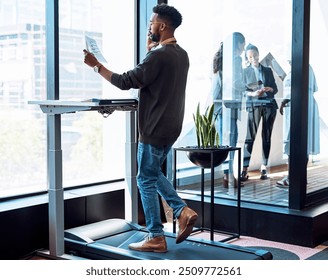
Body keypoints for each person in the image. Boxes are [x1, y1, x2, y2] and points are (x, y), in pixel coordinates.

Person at [83, 3, 198, 253]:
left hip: (154, 128)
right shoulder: (181, 54)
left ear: (162, 26)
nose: (149, 26)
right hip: (171, 127)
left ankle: (156, 236)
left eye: (151, 23)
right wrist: (151, 50)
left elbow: (126, 81)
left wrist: (95, 66)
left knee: (144, 179)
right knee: (152, 173)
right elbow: (153, 80)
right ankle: (182, 211)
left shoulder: (158, 56)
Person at [276, 64, 320, 187]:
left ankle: (292, 178)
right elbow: (313, 87)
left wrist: (284, 101)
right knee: (303, 143)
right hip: (307, 105)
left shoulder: (298, 66)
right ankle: (301, 177)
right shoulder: (308, 67)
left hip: (296, 107)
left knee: (292, 143)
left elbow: (294, 89)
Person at [240, 44, 278, 181]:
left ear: (258, 54)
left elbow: (275, 89)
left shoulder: (267, 70)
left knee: (266, 137)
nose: (253, 58)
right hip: (254, 106)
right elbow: (242, 90)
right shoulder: (245, 72)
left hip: (269, 106)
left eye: (255, 55)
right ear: (247, 58)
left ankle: (264, 168)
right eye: (250, 57)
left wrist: (270, 89)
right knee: (250, 138)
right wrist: (253, 93)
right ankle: (244, 170)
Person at [221, 32, 246, 188]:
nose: (244, 47)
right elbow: (236, 82)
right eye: (243, 43)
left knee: (225, 144)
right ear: (238, 44)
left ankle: (227, 176)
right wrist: (250, 86)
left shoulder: (221, 59)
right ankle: (229, 177)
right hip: (231, 107)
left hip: (221, 107)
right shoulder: (236, 59)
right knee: (230, 143)